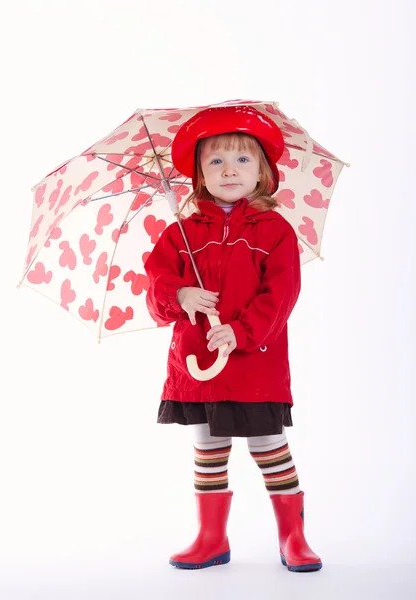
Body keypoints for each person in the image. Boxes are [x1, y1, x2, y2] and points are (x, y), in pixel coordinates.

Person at [144, 105, 322, 573]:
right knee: (208, 448)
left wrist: (240, 332)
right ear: (199, 174)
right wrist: (180, 293)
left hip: (253, 364)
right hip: (197, 364)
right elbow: (156, 291)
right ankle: (210, 537)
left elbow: (281, 296)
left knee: (268, 445)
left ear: (264, 171)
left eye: (242, 160)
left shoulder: (275, 231)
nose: (229, 170)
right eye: (216, 161)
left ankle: (294, 537)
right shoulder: (179, 233)